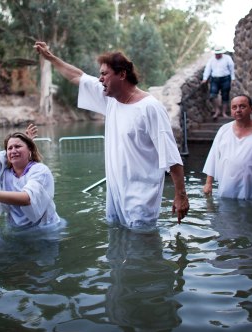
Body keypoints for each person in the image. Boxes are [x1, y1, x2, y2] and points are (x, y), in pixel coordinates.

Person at [34, 41, 189, 230]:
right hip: (114, 197)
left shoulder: (150, 107)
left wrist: (180, 195)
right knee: (116, 251)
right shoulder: (111, 100)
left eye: (104, 74)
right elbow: (78, 77)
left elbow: (171, 155)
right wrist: (51, 58)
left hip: (141, 200)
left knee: (142, 253)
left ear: (122, 75)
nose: (100, 79)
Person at [0, 132, 61, 232]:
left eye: (18, 146)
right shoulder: (4, 173)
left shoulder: (40, 171)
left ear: (30, 149)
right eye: (10, 148)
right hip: (15, 230)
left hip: (46, 229)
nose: (13, 151)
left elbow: (27, 198)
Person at [202, 95, 252, 200]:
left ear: (251, 109)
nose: (238, 110)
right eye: (234, 107)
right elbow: (213, 156)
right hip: (226, 192)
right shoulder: (223, 130)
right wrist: (208, 183)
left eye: (242, 106)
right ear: (231, 111)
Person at [201, 46, 235, 119]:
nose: (217, 55)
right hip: (215, 79)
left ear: (222, 53)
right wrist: (205, 78)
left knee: (225, 96)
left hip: (225, 78)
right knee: (213, 95)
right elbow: (208, 69)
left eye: (219, 53)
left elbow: (232, 68)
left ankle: (224, 112)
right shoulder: (211, 60)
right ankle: (217, 110)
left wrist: (232, 78)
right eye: (216, 53)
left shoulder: (227, 58)